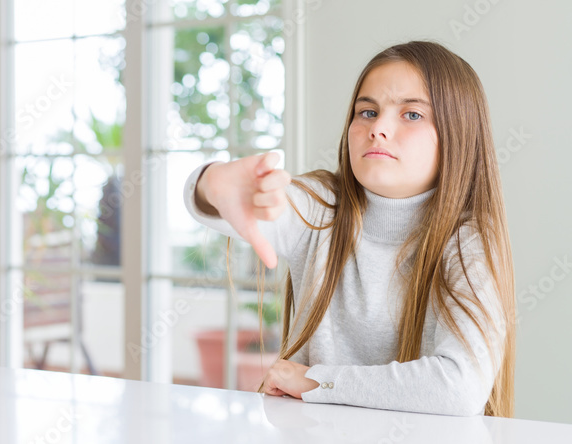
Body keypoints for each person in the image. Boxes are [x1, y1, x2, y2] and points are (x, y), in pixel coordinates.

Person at [183, 41, 515, 417]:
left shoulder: (467, 241)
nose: (378, 129)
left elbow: (460, 388)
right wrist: (211, 184)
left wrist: (317, 381)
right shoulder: (321, 207)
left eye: (412, 115)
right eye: (367, 111)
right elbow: (217, 202)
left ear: (459, 136)